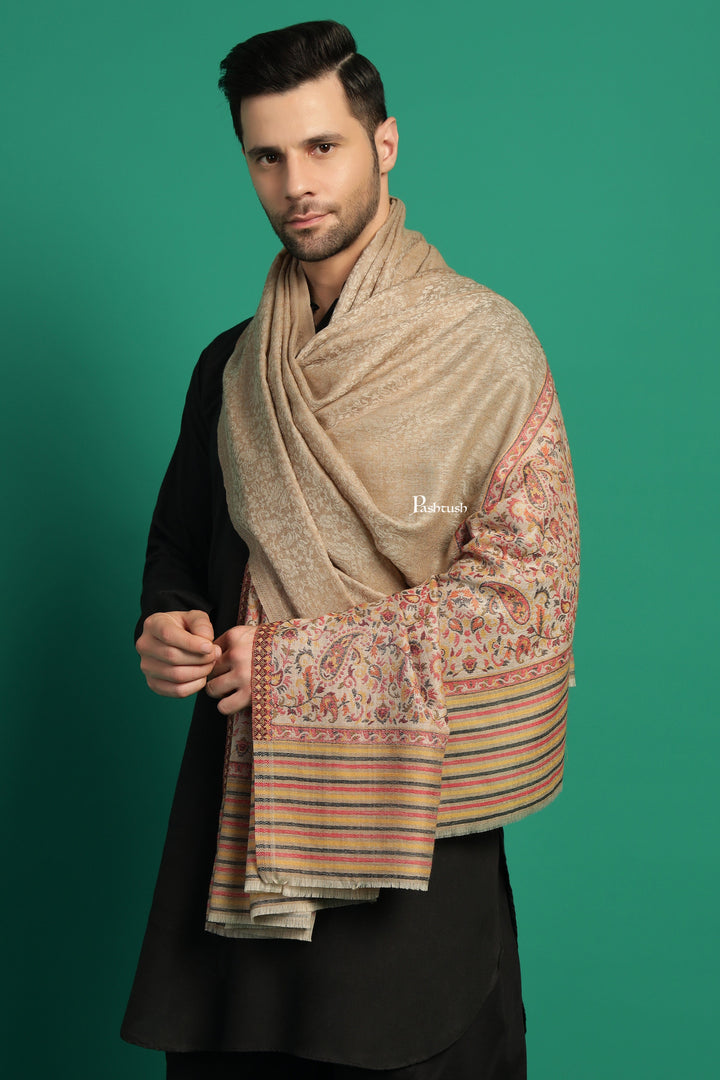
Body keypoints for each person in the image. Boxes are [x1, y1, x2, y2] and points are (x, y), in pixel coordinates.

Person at [121, 20, 579, 1080]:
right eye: (267, 156)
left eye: (322, 147)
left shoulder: (486, 350)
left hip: (413, 853)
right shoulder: (232, 367)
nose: (296, 184)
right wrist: (167, 619)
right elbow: (180, 541)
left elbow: (527, 597)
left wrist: (293, 664)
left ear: (384, 143)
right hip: (243, 842)